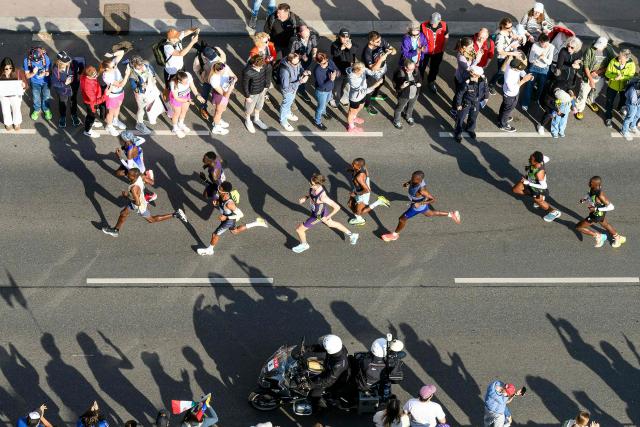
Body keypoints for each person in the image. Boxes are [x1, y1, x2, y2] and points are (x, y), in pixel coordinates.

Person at [102, 168, 188, 237]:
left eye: (129, 175)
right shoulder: (140, 176)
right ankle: (115, 230)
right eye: (128, 174)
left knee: (151, 220)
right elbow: (152, 182)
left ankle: (176, 214)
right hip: (138, 198)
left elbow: (137, 203)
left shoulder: (134, 188)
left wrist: (126, 196)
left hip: (139, 205)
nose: (127, 176)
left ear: (134, 176)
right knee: (123, 213)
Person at [381, 170, 460, 242]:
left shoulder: (422, 190)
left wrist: (419, 204)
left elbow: (433, 199)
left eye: (413, 179)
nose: (412, 179)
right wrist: (408, 183)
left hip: (417, 207)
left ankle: (394, 235)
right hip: (417, 204)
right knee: (429, 214)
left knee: (402, 219)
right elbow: (412, 181)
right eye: (412, 177)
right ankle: (451, 214)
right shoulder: (416, 180)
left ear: (419, 181)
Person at [292, 173, 359, 253]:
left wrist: (327, 216)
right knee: (331, 224)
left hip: (318, 216)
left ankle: (304, 245)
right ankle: (352, 235)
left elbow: (337, 207)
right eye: (310, 181)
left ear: (316, 183)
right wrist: (305, 198)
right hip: (320, 211)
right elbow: (311, 194)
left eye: (311, 182)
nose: (309, 183)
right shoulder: (314, 187)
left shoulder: (323, 197)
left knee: (299, 230)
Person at [196, 181, 267, 256]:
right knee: (235, 231)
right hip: (228, 218)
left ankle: (210, 250)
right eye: (219, 188)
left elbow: (241, 214)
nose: (218, 190)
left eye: (220, 189)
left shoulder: (230, 204)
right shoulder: (222, 195)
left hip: (228, 220)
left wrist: (226, 217)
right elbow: (216, 190)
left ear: (225, 192)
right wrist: (217, 202)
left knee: (215, 234)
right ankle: (257, 223)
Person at [576, 176, 626, 248]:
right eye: (590, 181)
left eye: (591, 182)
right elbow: (589, 194)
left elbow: (611, 207)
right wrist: (584, 199)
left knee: (579, 227)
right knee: (605, 225)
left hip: (597, 214)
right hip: (598, 213)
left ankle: (599, 236)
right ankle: (618, 238)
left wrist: (596, 209)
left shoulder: (600, 195)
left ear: (596, 184)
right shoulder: (593, 188)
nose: (589, 183)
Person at [511, 151, 562, 222]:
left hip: (537, 187)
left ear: (536, 162)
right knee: (515, 190)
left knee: (537, 200)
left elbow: (544, 186)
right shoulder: (541, 160)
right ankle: (537, 197)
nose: (529, 159)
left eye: (531, 159)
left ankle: (554, 212)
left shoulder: (539, 173)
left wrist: (528, 183)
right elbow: (547, 158)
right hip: (529, 181)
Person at [575, 37, 615, 119]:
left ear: (605, 46)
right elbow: (586, 66)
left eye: (600, 47)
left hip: (600, 76)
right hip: (587, 76)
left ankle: (590, 101)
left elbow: (611, 64)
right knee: (583, 94)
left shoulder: (609, 50)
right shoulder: (590, 50)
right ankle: (579, 108)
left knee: (596, 92)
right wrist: (590, 79)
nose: (597, 48)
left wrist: (598, 72)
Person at [308, 335, 349, 409]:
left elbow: (327, 381)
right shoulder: (338, 346)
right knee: (309, 363)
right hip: (329, 367)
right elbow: (323, 347)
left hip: (335, 380)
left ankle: (319, 409)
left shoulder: (338, 365)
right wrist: (308, 348)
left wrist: (311, 383)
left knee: (313, 395)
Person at [115, 130, 157, 203]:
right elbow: (142, 139)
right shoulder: (131, 142)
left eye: (120, 139)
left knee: (133, 182)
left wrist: (120, 157)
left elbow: (130, 168)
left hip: (136, 169)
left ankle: (149, 195)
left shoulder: (130, 151)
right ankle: (145, 177)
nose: (119, 139)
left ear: (125, 140)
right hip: (136, 164)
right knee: (119, 173)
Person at [348, 158, 391, 225]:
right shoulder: (363, 168)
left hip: (362, 194)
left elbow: (367, 190)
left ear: (359, 166)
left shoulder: (359, 177)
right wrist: (352, 170)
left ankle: (379, 201)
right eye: (352, 164)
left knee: (360, 212)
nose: (352, 166)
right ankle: (359, 219)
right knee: (350, 204)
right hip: (357, 189)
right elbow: (367, 175)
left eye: (354, 165)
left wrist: (355, 193)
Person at [362, 31, 396, 115]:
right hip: (372, 73)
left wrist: (390, 51)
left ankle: (375, 95)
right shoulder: (367, 52)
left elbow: (394, 50)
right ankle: (367, 105)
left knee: (382, 82)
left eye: (380, 40)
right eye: (377, 42)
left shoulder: (381, 41)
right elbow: (373, 69)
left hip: (382, 69)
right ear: (371, 41)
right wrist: (381, 59)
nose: (380, 43)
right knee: (369, 90)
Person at [497, 53, 533, 132]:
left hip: (510, 93)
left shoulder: (512, 64)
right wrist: (524, 80)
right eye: (519, 68)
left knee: (504, 107)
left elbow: (521, 71)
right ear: (515, 68)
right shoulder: (509, 76)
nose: (520, 69)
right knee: (508, 109)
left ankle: (501, 118)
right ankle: (503, 124)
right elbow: (512, 88)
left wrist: (526, 76)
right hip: (510, 95)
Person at [128, 56, 162, 135]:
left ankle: (148, 114)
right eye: (138, 66)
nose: (141, 67)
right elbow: (134, 88)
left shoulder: (146, 64)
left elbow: (152, 71)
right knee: (141, 109)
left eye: (141, 64)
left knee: (152, 101)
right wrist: (140, 86)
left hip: (151, 89)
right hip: (141, 94)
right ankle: (139, 124)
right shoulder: (132, 75)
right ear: (134, 66)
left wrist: (153, 77)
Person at [453, 65, 488, 142]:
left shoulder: (483, 80)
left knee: (473, 117)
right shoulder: (467, 83)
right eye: (471, 72)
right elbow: (460, 94)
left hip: (476, 103)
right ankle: (458, 133)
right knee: (461, 118)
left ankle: (470, 129)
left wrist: (486, 97)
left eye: (472, 72)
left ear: (477, 75)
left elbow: (486, 88)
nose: (470, 73)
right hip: (466, 103)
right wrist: (458, 104)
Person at [100, 50, 131, 136]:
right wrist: (127, 75)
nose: (115, 67)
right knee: (110, 112)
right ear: (107, 69)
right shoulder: (107, 77)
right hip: (112, 96)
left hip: (120, 93)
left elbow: (122, 52)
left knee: (118, 107)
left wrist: (112, 54)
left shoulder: (113, 65)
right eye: (113, 67)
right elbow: (121, 84)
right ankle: (109, 126)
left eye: (114, 65)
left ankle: (115, 120)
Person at [345, 61, 383, 133]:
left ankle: (354, 118)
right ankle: (351, 127)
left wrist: (377, 75)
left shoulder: (361, 69)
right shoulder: (353, 79)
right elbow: (363, 91)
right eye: (362, 70)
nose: (364, 70)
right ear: (357, 70)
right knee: (352, 112)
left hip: (362, 96)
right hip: (355, 98)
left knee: (361, 106)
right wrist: (376, 85)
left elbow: (370, 71)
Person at [520, 33, 554, 110]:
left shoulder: (551, 47)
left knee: (541, 87)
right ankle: (525, 103)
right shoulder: (535, 46)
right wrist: (538, 57)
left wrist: (543, 58)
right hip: (534, 67)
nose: (546, 46)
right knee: (529, 85)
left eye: (547, 44)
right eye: (544, 45)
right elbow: (530, 60)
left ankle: (536, 99)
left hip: (544, 69)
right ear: (540, 42)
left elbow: (549, 62)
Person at [488, 18, 522, 93]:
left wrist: (516, 38)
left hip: (509, 56)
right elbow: (500, 52)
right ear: (502, 26)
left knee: (504, 71)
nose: (510, 28)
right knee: (501, 72)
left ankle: (500, 81)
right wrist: (513, 53)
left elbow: (512, 37)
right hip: (503, 57)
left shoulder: (510, 31)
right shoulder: (500, 37)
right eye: (508, 27)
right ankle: (491, 84)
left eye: (511, 26)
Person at [604, 49, 636, 128]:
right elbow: (607, 74)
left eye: (621, 58)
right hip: (612, 86)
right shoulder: (613, 61)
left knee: (623, 100)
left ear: (627, 58)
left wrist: (623, 77)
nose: (619, 59)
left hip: (624, 87)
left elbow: (631, 76)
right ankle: (608, 117)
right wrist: (615, 77)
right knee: (609, 102)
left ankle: (620, 109)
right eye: (619, 57)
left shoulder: (631, 64)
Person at [168, 71, 205, 138]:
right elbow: (176, 98)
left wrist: (197, 95)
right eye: (185, 82)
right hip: (176, 98)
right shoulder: (173, 84)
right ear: (179, 81)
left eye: (187, 81)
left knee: (184, 110)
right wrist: (187, 100)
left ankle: (181, 124)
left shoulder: (188, 75)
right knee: (177, 113)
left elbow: (193, 87)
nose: (187, 83)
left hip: (186, 96)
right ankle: (175, 128)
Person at [193, 45, 226, 120]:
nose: (214, 59)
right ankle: (203, 108)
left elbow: (223, 57)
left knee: (217, 92)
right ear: (204, 56)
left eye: (214, 56)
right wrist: (201, 79)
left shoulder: (216, 55)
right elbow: (196, 70)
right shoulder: (198, 59)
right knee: (205, 94)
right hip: (206, 79)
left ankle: (216, 102)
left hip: (217, 78)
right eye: (211, 58)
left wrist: (220, 50)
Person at [451, 37, 482, 115]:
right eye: (470, 47)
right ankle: (454, 108)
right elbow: (470, 69)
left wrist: (478, 56)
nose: (472, 49)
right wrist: (477, 59)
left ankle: (460, 105)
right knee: (458, 94)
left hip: (466, 77)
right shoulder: (461, 57)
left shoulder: (469, 51)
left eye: (472, 46)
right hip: (461, 79)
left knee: (463, 94)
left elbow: (473, 61)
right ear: (464, 47)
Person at [279, 53, 309, 131]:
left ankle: (288, 113)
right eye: (295, 62)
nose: (298, 63)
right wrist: (300, 81)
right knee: (285, 104)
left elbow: (300, 67)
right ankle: (283, 121)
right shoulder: (284, 71)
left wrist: (304, 72)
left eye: (298, 60)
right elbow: (286, 86)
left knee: (290, 101)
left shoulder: (297, 63)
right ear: (289, 62)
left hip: (294, 87)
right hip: (288, 90)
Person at [50, 51, 81, 128]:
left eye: (68, 61)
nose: (68, 63)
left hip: (73, 87)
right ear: (59, 62)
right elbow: (55, 83)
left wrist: (79, 75)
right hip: (62, 90)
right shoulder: (55, 69)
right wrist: (64, 83)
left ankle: (73, 115)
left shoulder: (72, 64)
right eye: (65, 62)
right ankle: (63, 117)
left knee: (73, 101)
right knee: (63, 103)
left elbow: (79, 68)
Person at [288, 24, 318, 102]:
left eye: (308, 35)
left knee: (305, 75)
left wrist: (314, 54)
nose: (308, 38)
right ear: (299, 34)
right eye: (305, 36)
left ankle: (301, 90)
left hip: (308, 60)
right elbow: (290, 54)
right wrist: (300, 57)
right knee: (296, 76)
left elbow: (314, 46)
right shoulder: (294, 40)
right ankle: (293, 92)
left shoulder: (312, 36)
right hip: (297, 62)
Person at [419, 12, 449, 93]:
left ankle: (431, 81)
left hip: (438, 51)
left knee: (434, 68)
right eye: (431, 22)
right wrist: (421, 47)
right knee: (421, 67)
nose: (432, 24)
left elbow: (446, 36)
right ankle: (419, 83)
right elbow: (420, 37)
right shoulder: (423, 25)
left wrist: (443, 48)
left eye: (434, 23)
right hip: (425, 51)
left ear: (440, 20)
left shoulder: (444, 25)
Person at [242, 54, 270, 134]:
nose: (261, 68)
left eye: (262, 66)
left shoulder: (263, 65)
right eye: (260, 66)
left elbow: (267, 74)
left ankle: (256, 119)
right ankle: (248, 121)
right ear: (254, 64)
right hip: (252, 93)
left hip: (261, 90)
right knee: (249, 109)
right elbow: (245, 85)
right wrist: (247, 96)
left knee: (259, 106)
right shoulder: (247, 71)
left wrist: (266, 87)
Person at [79, 66, 110, 138]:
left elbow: (96, 74)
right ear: (88, 76)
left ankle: (91, 124)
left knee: (92, 114)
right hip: (91, 104)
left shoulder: (87, 76)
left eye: (96, 73)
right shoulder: (87, 87)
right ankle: (87, 131)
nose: (96, 76)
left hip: (92, 101)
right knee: (91, 116)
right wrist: (106, 95)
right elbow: (94, 102)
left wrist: (101, 69)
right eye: (94, 75)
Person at [330, 28, 358, 107]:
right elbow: (334, 54)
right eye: (343, 37)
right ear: (339, 36)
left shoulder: (351, 43)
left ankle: (344, 98)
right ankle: (335, 99)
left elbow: (356, 49)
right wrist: (341, 48)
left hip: (349, 70)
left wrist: (350, 48)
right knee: (337, 87)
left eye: (347, 37)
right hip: (338, 70)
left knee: (347, 85)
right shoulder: (335, 44)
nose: (345, 39)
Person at [23, 46, 52, 121]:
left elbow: (49, 72)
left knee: (46, 96)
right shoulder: (27, 61)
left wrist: (45, 73)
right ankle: (37, 109)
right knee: (36, 97)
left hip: (45, 81)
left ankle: (46, 109)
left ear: (42, 56)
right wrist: (33, 72)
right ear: (31, 57)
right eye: (35, 61)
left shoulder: (46, 58)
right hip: (35, 82)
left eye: (39, 60)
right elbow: (27, 76)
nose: (37, 62)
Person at [208, 62, 237, 135]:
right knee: (219, 111)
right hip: (220, 95)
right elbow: (224, 94)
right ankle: (216, 128)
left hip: (226, 93)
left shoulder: (225, 67)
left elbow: (233, 75)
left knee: (222, 109)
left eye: (224, 70)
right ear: (217, 71)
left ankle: (217, 121)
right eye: (222, 71)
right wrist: (231, 88)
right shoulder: (214, 79)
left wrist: (234, 79)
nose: (224, 71)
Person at [392, 59, 421, 129]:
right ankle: (396, 121)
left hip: (415, 93)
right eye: (410, 69)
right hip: (404, 95)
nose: (412, 70)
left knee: (411, 106)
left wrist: (420, 83)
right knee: (399, 109)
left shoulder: (415, 70)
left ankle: (408, 116)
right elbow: (396, 87)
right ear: (405, 67)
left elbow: (420, 78)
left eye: (413, 68)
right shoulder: (400, 74)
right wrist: (402, 86)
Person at [312, 52, 338, 130]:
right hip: (321, 92)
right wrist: (331, 80)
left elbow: (336, 68)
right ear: (318, 62)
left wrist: (337, 73)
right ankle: (317, 122)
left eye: (326, 61)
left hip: (329, 90)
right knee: (320, 107)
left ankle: (324, 113)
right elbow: (321, 85)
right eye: (323, 63)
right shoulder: (317, 70)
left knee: (325, 103)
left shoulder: (328, 62)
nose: (326, 64)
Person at [0, 57, 27, 131]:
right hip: (4, 96)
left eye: (10, 68)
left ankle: (17, 123)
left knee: (16, 109)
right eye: (6, 68)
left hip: (15, 96)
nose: (9, 70)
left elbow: (25, 83)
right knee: (5, 110)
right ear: (3, 68)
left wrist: (24, 86)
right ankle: (8, 123)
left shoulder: (18, 72)